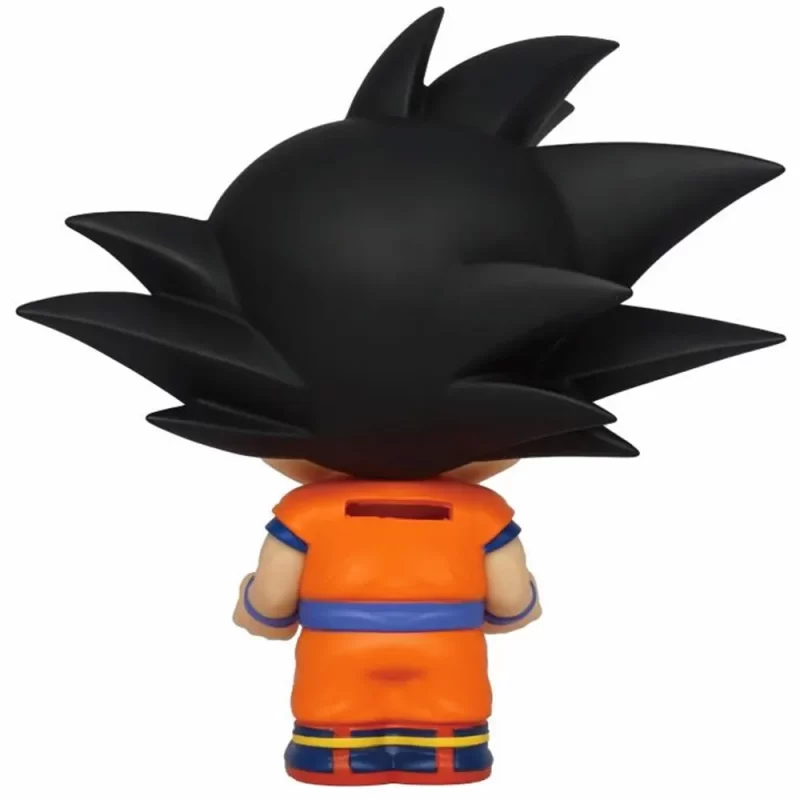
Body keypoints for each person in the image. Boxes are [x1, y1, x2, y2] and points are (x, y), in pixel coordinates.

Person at [17, 7, 785, 787]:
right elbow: (512, 602)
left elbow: (272, 604)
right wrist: (506, 610)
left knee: (332, 728)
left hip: (335, 672)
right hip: (450, 670)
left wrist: (259, 611)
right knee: (451, 726)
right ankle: (445, 755)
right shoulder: (480, 516)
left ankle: (338, 757)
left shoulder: (305, 516)